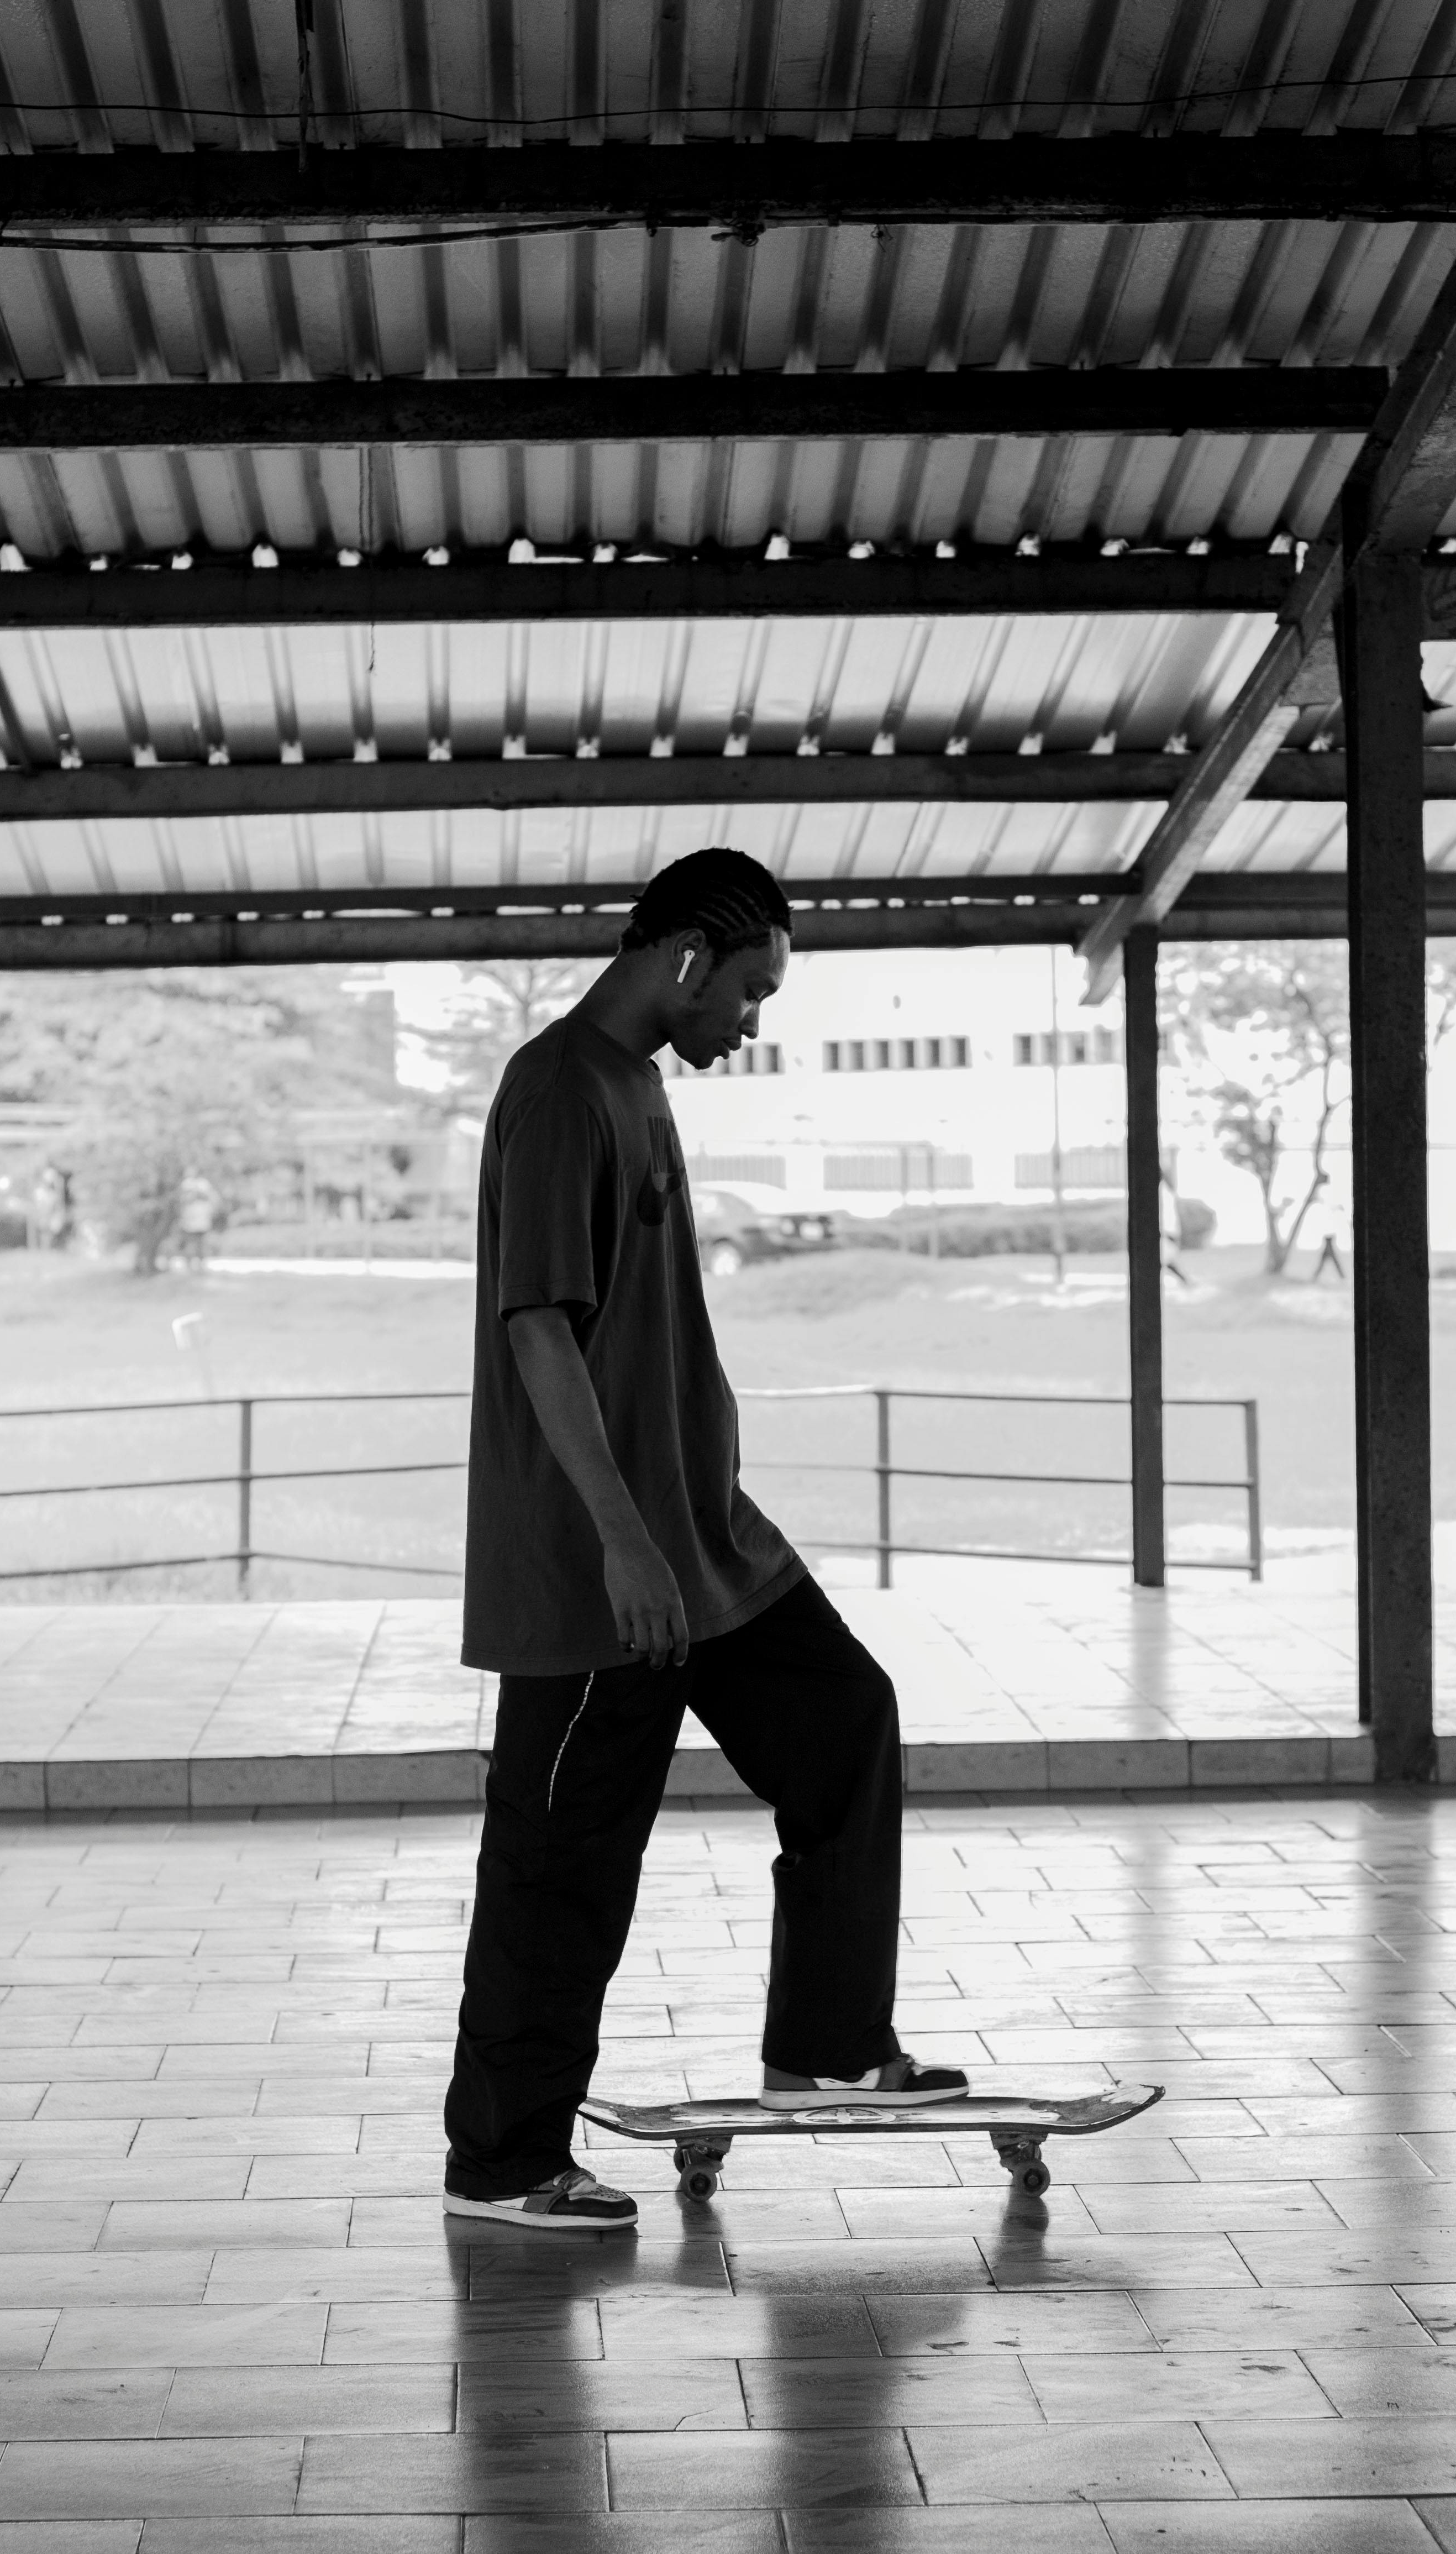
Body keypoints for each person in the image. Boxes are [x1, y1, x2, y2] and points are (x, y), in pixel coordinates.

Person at [443, 847, 969, 2235]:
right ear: (687, 961)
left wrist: (676, 1523)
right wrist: (619, 1541)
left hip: (706, 1548)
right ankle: (501, 2162)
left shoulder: (634, 1085)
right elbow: (536, 1325)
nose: (751, 1022)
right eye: (749, 993)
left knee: (844, 1719)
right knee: (563, 1862)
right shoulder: (560, 1089)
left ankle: (827, 2044)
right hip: (598, 1574)